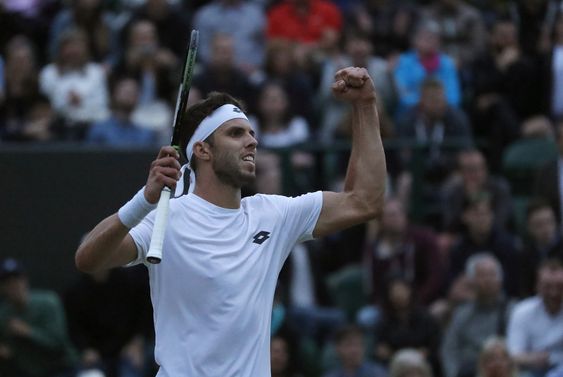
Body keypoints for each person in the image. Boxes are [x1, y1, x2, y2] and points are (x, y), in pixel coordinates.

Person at [75, 66, 387, 377]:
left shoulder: (273, 214)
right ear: (203, 150)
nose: (251, 141)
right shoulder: (166, 219)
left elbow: (364, 200)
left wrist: (365, 105)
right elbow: (89, 258)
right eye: (236, 133)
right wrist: (143, 200)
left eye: (251, 133)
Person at [0, 258, 78, 377]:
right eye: (7, 282)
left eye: (16, 280)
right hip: (28, 372)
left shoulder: (48, 302)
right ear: (2, 288)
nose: (13, 286)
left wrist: (28, 331)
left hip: (61, 368)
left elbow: (58, 343)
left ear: (25, 280)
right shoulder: (4, 313)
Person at [441, 253, 514, 377]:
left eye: (492, 275)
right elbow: (449, 350)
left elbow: (518, 350)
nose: (488, 280)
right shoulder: (461, 313)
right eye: (482, 275)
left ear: (500, 279)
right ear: (471, 281)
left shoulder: (513, 311)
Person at [506, 259, 563, 377]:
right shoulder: (522, 311)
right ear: (537, 286)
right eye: (548, 287)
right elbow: (513, 355)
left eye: (559, 286)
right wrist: (533, 359)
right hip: (532, 370)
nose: (554, 293)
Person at [322, 325, 387, 377]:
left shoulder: (378, 373)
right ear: (337, 348)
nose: (354, 350)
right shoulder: (331, 375)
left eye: (358, 344)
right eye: (349, 345)